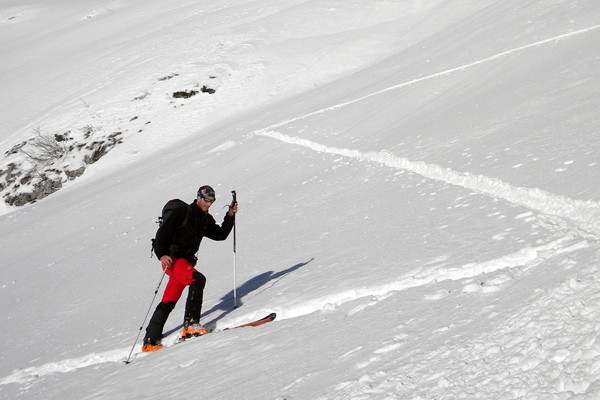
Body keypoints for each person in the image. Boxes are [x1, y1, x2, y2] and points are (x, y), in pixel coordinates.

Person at [142, 185, 237, 352]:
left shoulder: (205, 220)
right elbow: (162, 234)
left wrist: (229, 216)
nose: (209, 205)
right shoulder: (183, 212)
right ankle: (191, 324)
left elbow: (220, 235)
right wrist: (162, 255)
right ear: (199, 197)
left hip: (185, 263)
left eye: (212, 201)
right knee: (197, 279)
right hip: (174, 260)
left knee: (169, 300)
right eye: (207, 201)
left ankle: (150, 340)